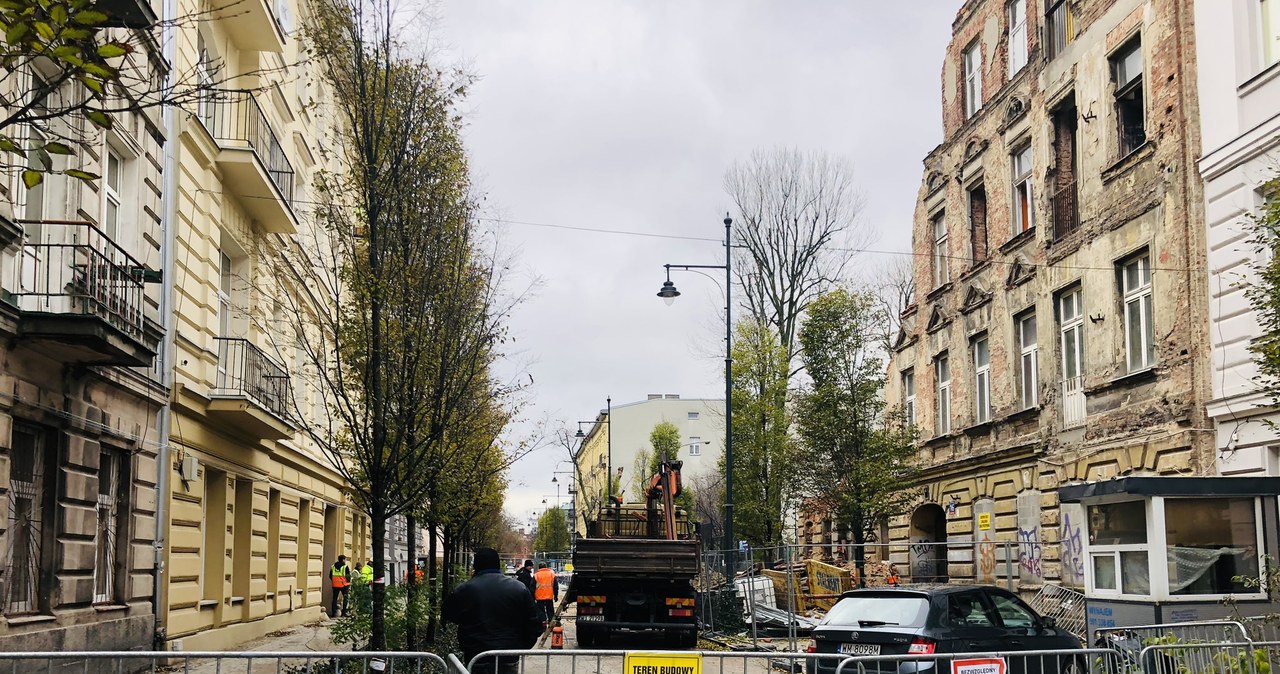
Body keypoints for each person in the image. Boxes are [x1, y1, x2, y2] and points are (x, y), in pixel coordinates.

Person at [443, 548, 542, 674]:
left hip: (477, 655)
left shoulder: (465, 589)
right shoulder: (519, 589)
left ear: (476, 566)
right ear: (498, 564)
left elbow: (448, 614)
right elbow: (534, 623)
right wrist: (520, 646)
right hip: (508, 654)